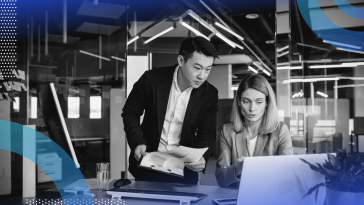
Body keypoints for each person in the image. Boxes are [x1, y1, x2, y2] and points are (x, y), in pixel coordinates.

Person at [122, 37, 219, 184]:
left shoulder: (210, 93)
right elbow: (130, 112)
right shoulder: (151, 80)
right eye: (197, 68)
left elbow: (208, 132)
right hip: (147, 164)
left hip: (184, 169)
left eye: (208, 69)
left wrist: (202, 157)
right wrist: (137, 142)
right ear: (181, 61)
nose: (202, 76)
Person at [215, 73, 293, 188]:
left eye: (259, 102)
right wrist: (239, 168)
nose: (252, 108)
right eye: (246, 101)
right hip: (237, 197)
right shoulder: (227, 131)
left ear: (267, 102)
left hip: (269, 196)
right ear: (238, 101)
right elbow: (221, 178)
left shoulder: (281, 130)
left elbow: (288, 175)